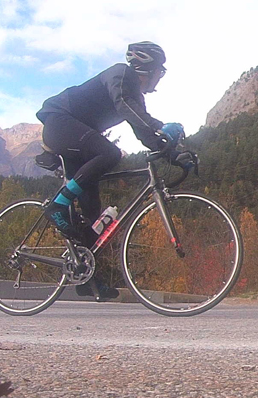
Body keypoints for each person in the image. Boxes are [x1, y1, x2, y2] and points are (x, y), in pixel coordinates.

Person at [35, 41, 184, 300]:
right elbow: (130, 113)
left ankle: (86, 278)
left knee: (93, 217)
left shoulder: (133, 95)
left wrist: (175, 155)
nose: (160, 77)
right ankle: (57, 206)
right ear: (147, 67)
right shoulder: (121, 75)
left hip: (76, 137)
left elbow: (143, 128)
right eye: (160, 70)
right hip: (59, 122)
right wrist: (162, 129)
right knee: (110, 153)